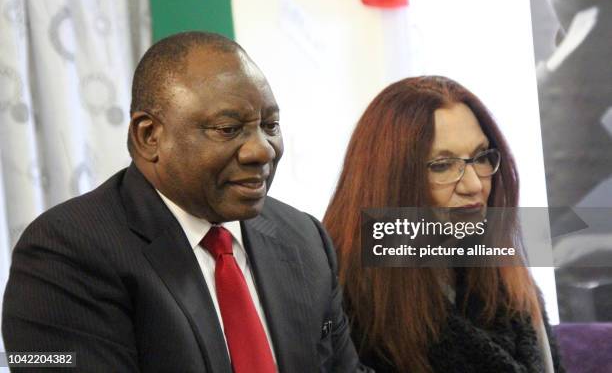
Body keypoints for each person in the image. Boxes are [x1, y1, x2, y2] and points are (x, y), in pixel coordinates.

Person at [2, 31, 368, 372]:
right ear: (149, 136)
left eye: (270, 125)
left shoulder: (304, 239)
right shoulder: (65, 252)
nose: (261, 150)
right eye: (228, 129)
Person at [323, 76, 565, 372]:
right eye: (442, 165)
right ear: (388, 180)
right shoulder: (345, 298)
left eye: (481, 157)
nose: (474, 184)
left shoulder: (508, 277)